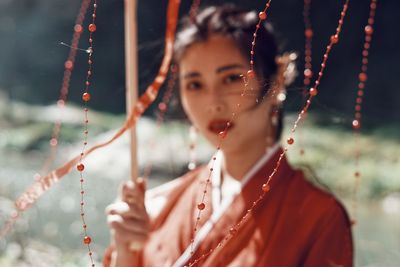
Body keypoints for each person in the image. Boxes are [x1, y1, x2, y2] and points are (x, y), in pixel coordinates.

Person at [104, 4, 353, 267]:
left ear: (277, 79)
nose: (213, 102)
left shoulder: (318, 219)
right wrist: (126, 253)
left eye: (233, 78)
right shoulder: (158, 206)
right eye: (195, 84)